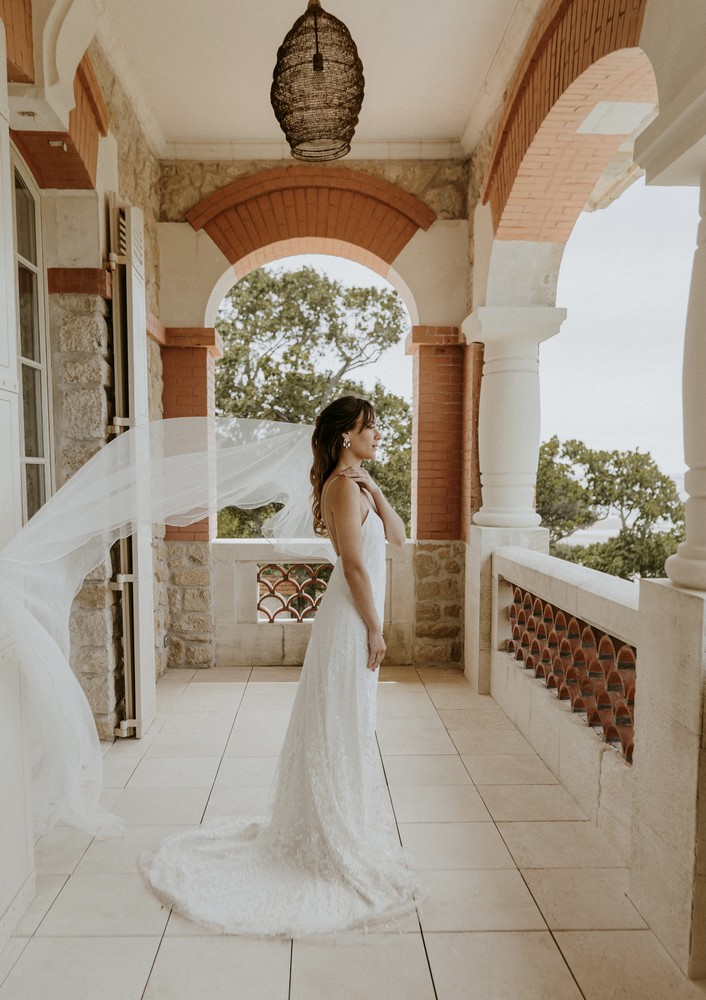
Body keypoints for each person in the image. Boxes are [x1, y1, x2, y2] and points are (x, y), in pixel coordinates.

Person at [138, 396, 423, 936]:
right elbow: (357, 567)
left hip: (358, 615)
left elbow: (399, 538)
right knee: (340, 721)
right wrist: (377, 628)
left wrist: (379, 491)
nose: (379, 434)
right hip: (350, 619)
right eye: (370, 427)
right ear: (346, 436)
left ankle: (345, 824)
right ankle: (327, 832)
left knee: (351, 722)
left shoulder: (356, 485)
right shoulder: (340, 488)